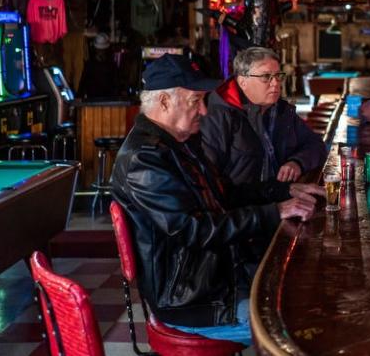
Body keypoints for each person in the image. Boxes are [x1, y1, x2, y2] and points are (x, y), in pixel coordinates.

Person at [110, 54, 324, 343]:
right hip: (194, 300)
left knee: (308, 291)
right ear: (163, 102)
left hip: (216, 276)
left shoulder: (182, 142)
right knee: (303, 327)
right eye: (195, 100)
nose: (204, 111)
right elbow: (195, 230)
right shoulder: (144, 159)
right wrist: (275, 212)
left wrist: (284, 191)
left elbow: (227, 193)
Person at [203, 47, 326, 185]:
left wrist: (297, 162)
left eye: (278, 76)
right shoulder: (218, 115)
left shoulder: (280, 110)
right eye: (266, 77)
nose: (275, 83)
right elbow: (209, 180)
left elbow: (316, 144)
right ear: (243, 81)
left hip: (279, 195)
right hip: (245, 204)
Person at [78, 33, 120, 98]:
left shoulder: (112, 66)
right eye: (99, 50)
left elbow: (116, 85)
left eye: (102, 50)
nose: (101, 52)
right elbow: (83, 85)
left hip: (109, 101)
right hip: (93, 101)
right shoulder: (89, 65)